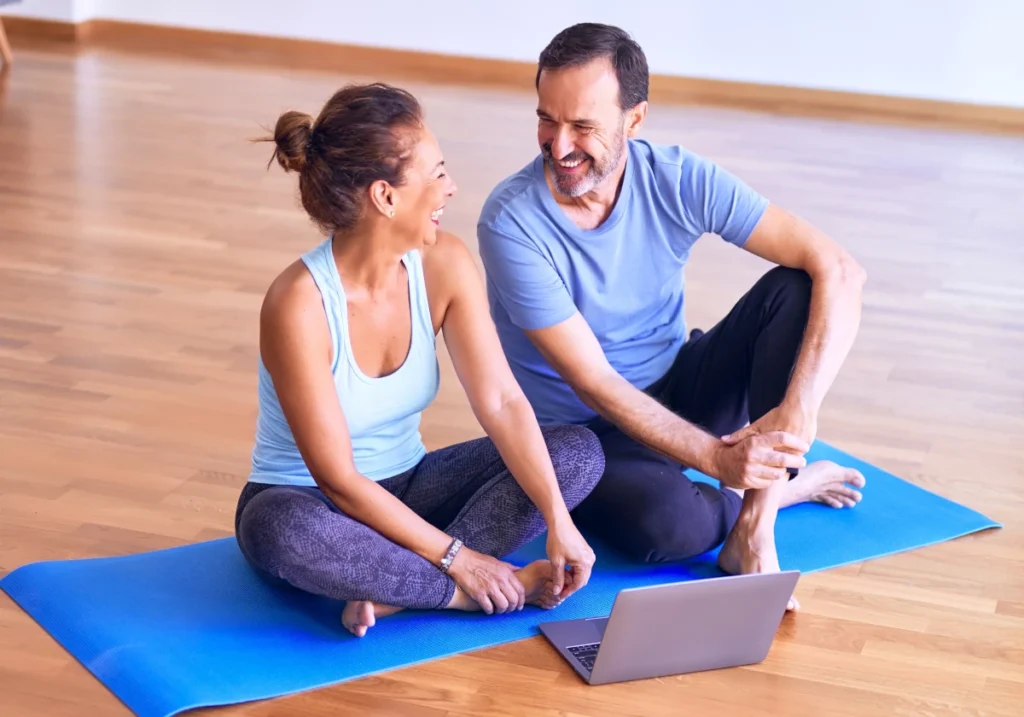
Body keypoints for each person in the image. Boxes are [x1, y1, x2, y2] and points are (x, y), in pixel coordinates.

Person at [477, 23, 868, 611]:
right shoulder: (511, 223)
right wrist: (717, 459)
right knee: (667, 529)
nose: (558, 146)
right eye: (546, 120)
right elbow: (596, 382)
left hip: (682, 385)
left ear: (634, 121)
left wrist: (800, 411)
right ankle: (784, 490)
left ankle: (754, 530)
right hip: (589, 437)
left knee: (796, 286)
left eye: (583, 126)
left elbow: (840, 269)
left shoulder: (678, 177)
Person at [235, 82, 605, 638]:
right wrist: (461, 561)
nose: (450, 188)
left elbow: (502, 402)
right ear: (385, 197)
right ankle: (460, 593)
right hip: (312, 502)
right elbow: (337, 480)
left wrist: (558, 519)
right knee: (279, 531)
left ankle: (392, 594)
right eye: (435, 174)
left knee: (577, 454)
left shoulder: (445, 265)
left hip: (411, 486)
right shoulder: (298, 303)